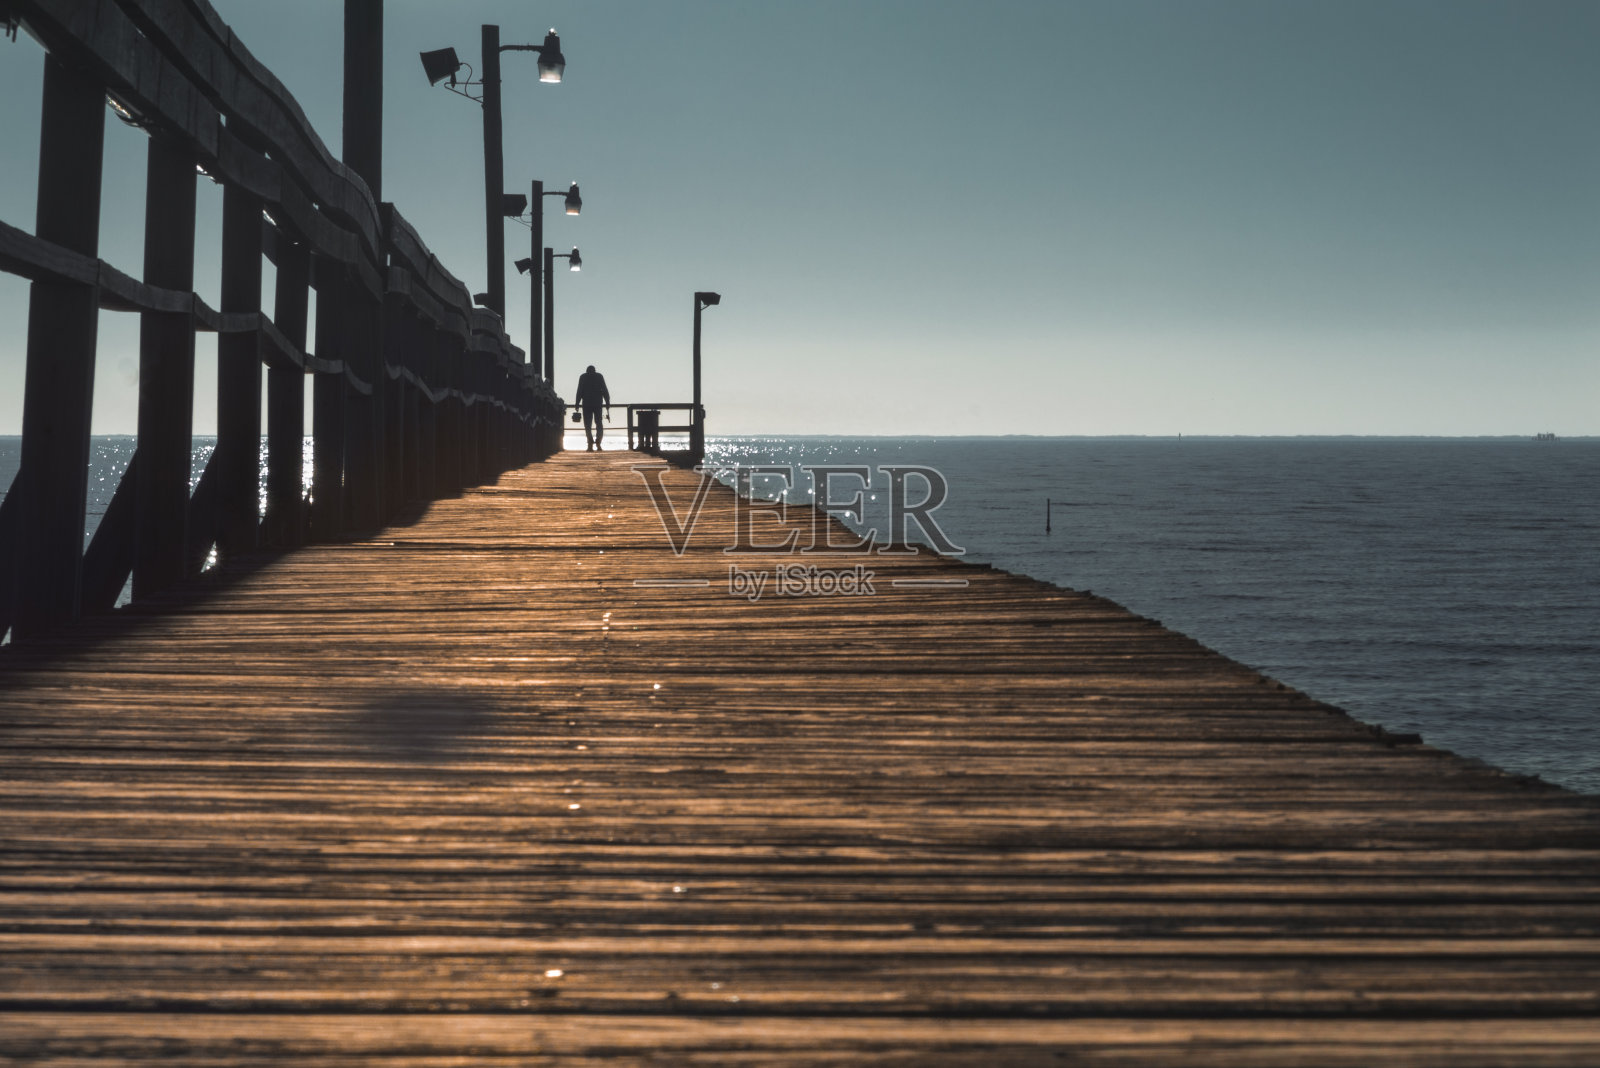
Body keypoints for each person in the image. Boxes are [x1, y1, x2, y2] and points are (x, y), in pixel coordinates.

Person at [574, 364, 611, 451]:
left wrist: (577, 403)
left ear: (587, 371)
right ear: (594, 370)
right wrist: (607, 402)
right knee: (599, 423)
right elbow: (605, 390)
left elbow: (579, 390)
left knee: (587, 424)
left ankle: (590, 444)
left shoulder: (583, 377)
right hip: (597, 403)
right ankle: (598, 443)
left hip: (586, 404)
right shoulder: (599, 376)